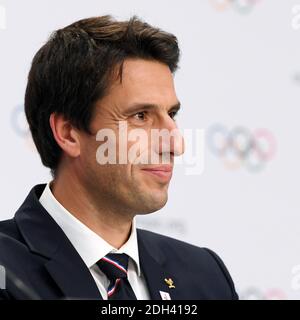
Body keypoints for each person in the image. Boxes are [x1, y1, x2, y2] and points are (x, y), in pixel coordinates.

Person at [0, 15, 238, 300]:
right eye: (140, 116)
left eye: (171, 115)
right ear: (69, 133)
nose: (175, 143)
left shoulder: (205, 275)